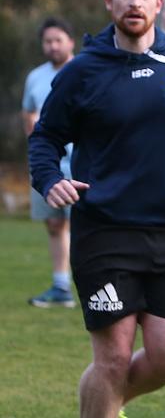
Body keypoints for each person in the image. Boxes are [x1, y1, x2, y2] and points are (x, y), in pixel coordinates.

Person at [28, 0, 165, 418]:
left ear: (159, 3)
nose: (136, 2)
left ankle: (101, 405)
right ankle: (103, 401)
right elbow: (45, 138)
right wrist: (50, 180)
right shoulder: (81, 71)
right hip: (104, 232)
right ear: (109, 1)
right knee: (111, 359)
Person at [22, 17, 76, 308]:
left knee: (86, 225)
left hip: (81, 164)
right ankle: (60, 286)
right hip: (49, 166)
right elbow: (28, 114)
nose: (53, 46)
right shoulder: (35, 77)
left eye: (58, 40)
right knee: (55, 224)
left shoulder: (84, 70)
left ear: (70, 41)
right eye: (48, 41)